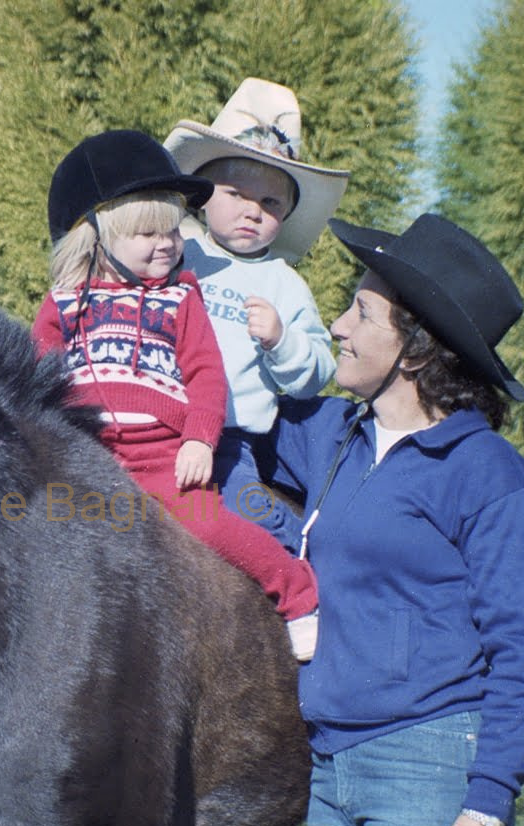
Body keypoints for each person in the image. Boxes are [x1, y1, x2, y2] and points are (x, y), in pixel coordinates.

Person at [267, 214, 524, 826]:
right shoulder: (329, 436)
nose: (338, 324)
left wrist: (485, 812)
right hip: (332, 773)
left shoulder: (490, 476)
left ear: (417, 347)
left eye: (361, 311)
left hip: (428, 772)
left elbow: (522, 658)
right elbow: (222, 425)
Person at [34, 129, 319, 659]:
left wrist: (199, 439)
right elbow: (40, 376)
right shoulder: (64, 302)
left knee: (220, 531)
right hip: (93, 458)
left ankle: (298, 595)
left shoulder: (180, 298)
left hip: (167, 460)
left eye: (171, 231)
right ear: (97, 238)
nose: (165, 244)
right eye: (147, 234)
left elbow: (207, 374)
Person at [163, 79, 350, 550]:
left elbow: (317, 372)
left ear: (285, 215)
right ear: (202, 196)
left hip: (230, 443)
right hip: (156, 427)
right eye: (237, 194)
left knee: (259, 524)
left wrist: (281, 341)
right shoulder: (177, 254)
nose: (253, 211)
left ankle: (303, 590)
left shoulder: (283, 283)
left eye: (270, 203)